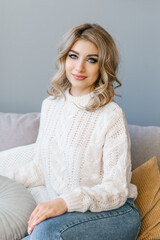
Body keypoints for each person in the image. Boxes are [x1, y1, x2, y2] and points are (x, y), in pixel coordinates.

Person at [6, 23, 141, 240]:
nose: (79, 68)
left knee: (46, 231)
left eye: (91, 60)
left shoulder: (111, 115)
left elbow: (116, 189)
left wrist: (64, 202)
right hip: (70, 215)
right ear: (64, 59)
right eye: (73, 56)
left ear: (103, 66)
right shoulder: (50, 106)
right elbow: (40, 168)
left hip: (114, 214)